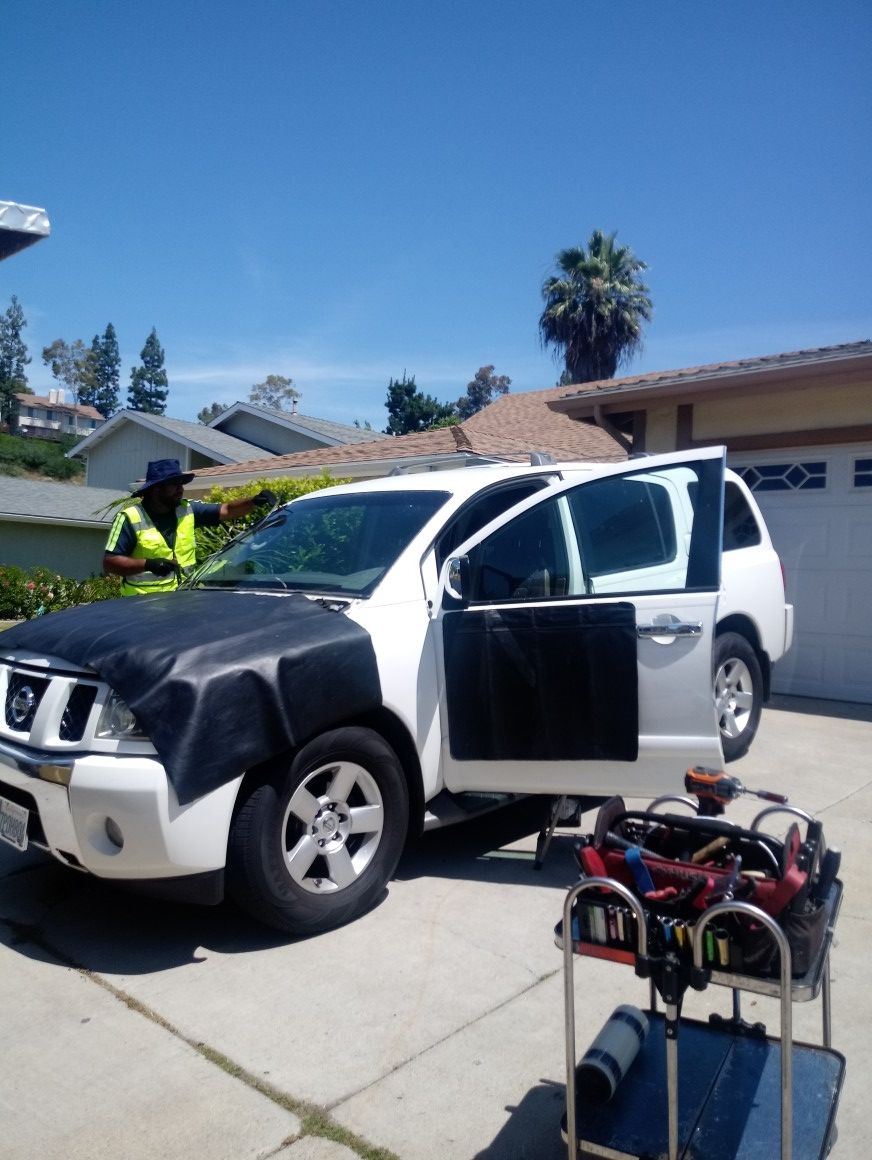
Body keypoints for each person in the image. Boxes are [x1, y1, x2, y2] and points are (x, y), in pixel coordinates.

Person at [103, 458, 277, 596]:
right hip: (140, 606)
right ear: (156, 489)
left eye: (181, 484)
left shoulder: (187, 510)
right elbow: (110, 563)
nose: (181, 489)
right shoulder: (130, 517)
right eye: (174, 484)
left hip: (182, 600)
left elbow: (226, 510)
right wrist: (148, 564)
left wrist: (254, 501)